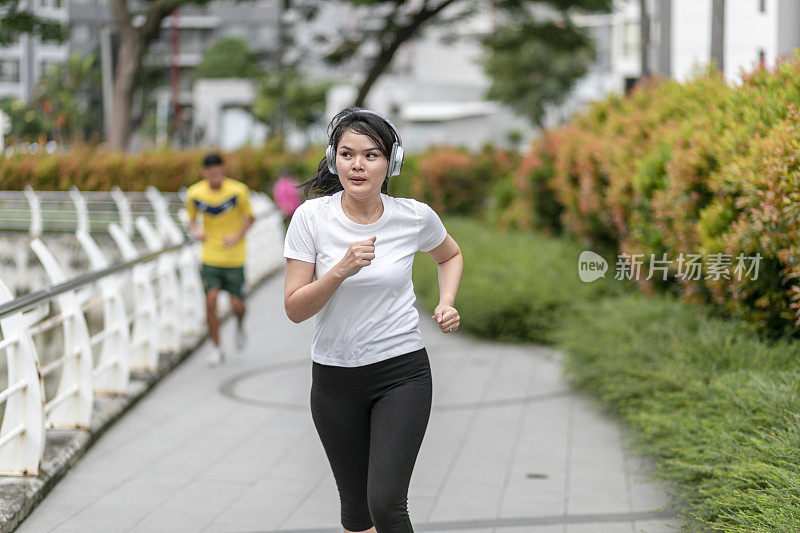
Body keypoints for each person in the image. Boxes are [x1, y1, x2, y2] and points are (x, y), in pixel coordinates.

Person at [283, 107, 463, 533]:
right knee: (357, 514)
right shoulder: (311, 219)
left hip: (401, 374)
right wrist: (340, 270)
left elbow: (450, 254)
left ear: (391, 163)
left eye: (371, 155)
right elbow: (294, 308)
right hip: (334, 380)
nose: (357, 165)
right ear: (333, 160)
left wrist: (448, 300)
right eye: (347, 154)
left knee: (385, 504)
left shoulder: (414, 216)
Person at [186, 153, 255, 366]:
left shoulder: (238, 190)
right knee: (210, 300)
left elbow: (250, 217)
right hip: (210, 256)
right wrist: (197, 230)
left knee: (237, 305)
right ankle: (216, 348)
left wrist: (236, 236)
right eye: (211, 173)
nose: (215, 177)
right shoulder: (194, 193)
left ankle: (240, 325)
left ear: (223, 171)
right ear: (204, 172)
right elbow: (190, 219)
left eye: (219, 173)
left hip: (234, 258)